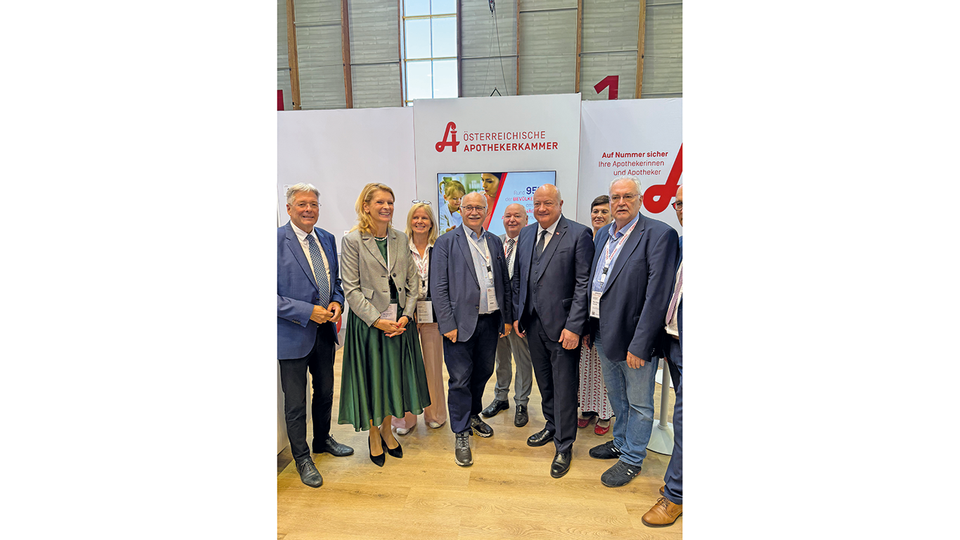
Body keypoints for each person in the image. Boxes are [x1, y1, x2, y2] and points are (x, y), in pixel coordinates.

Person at [585, 177, 679, 488]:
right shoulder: (602, 236)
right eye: (615, 197)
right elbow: (595, 284)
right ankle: (621, 441)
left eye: (628, 196)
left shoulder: (658, 235)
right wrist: (588, 327)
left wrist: (641, 345)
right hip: (602, 331)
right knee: (617, 397)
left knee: (640, 403)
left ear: (639, 200)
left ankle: (632, 458)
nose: (620, 202)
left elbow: (657, 294)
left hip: (633, 337)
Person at [337, 183, 431, 467]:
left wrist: (406, 313)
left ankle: (389, 430)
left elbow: (413, 282)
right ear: (366, 206)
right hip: (368, 325)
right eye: (380, 202)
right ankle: (374, 435)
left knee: (394, 378)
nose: (387, 207)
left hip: (399, 322)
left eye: (390, 202)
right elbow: (351, 289)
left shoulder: (401, 239)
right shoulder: (353, 241)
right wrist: (378, 321)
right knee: (372, 379)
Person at [512, 184, 595, 479]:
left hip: (563, 329)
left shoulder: (578, 233)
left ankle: (564, 444)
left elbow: (583, 283)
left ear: (560, 204)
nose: (542, 208)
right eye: (537, 203)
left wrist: (575, 326)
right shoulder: (525, 233)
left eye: (548, 203)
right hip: (532, 324)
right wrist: (518, 315)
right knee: (545, 383)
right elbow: (520, 277)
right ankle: (551, 425)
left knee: (564, 386)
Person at [277, 183, 354, 488]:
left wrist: (336, 301)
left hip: (324, 332)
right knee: (295, 404)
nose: (309, 209)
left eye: (314, 204)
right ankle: (302, 457)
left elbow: (334, 281)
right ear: (289, 208)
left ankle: (322, 440)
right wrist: (307, 311)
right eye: (302, 204)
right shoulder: (273, 242)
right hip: (292, 335)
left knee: (324, 393)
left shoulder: (326, 238)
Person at [431, 192, 513, 467]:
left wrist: (506, 318)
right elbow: (438, 288)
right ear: (460, 210)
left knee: (483, 373)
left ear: (487, 210)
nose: (474, 212)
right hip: (459, 324)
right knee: (460, 379)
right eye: (469, 207)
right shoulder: (445, 243)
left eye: (480, 207)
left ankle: (473, 414)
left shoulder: (494, 241)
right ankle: (461, 432)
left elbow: (502, 283)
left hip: (489, 321)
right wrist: (447, 324)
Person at [642, 184, 683, 526]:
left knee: (684, 421)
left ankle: (676, 496)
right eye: (678, 203)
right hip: (674, 340)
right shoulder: (682, 242)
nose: (681, 208)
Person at [392, 202, 448, 435]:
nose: (420, 222)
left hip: (434, 314)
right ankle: (405, 420)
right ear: (410, 221)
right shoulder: (400, 246)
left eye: (425, 218)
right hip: (406, 315)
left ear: (432, 223)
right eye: (416, 217)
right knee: (405, 366)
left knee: (433, 366)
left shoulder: (441, 247)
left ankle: (435, 414)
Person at [481, 203, 533, 427]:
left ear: (526, 220)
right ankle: (501, 398)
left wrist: (520, 316)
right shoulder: (495, 242)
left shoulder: (532, 244)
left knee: (523, 360)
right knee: (501, 358)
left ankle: (521, 402)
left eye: (517, 216)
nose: (512, 219)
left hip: (520, 316)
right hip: (498, 315)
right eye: (508, 216)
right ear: (502, 219)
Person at [578, 195, 615, 435]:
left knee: (604, 370)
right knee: (585, 367)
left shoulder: (614, 242)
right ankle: (588, 409)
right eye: (595, 211)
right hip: (585, 316)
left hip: (607, 317)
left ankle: (604, 414)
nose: (598, 215)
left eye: (604, 211)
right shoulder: (584, 239)